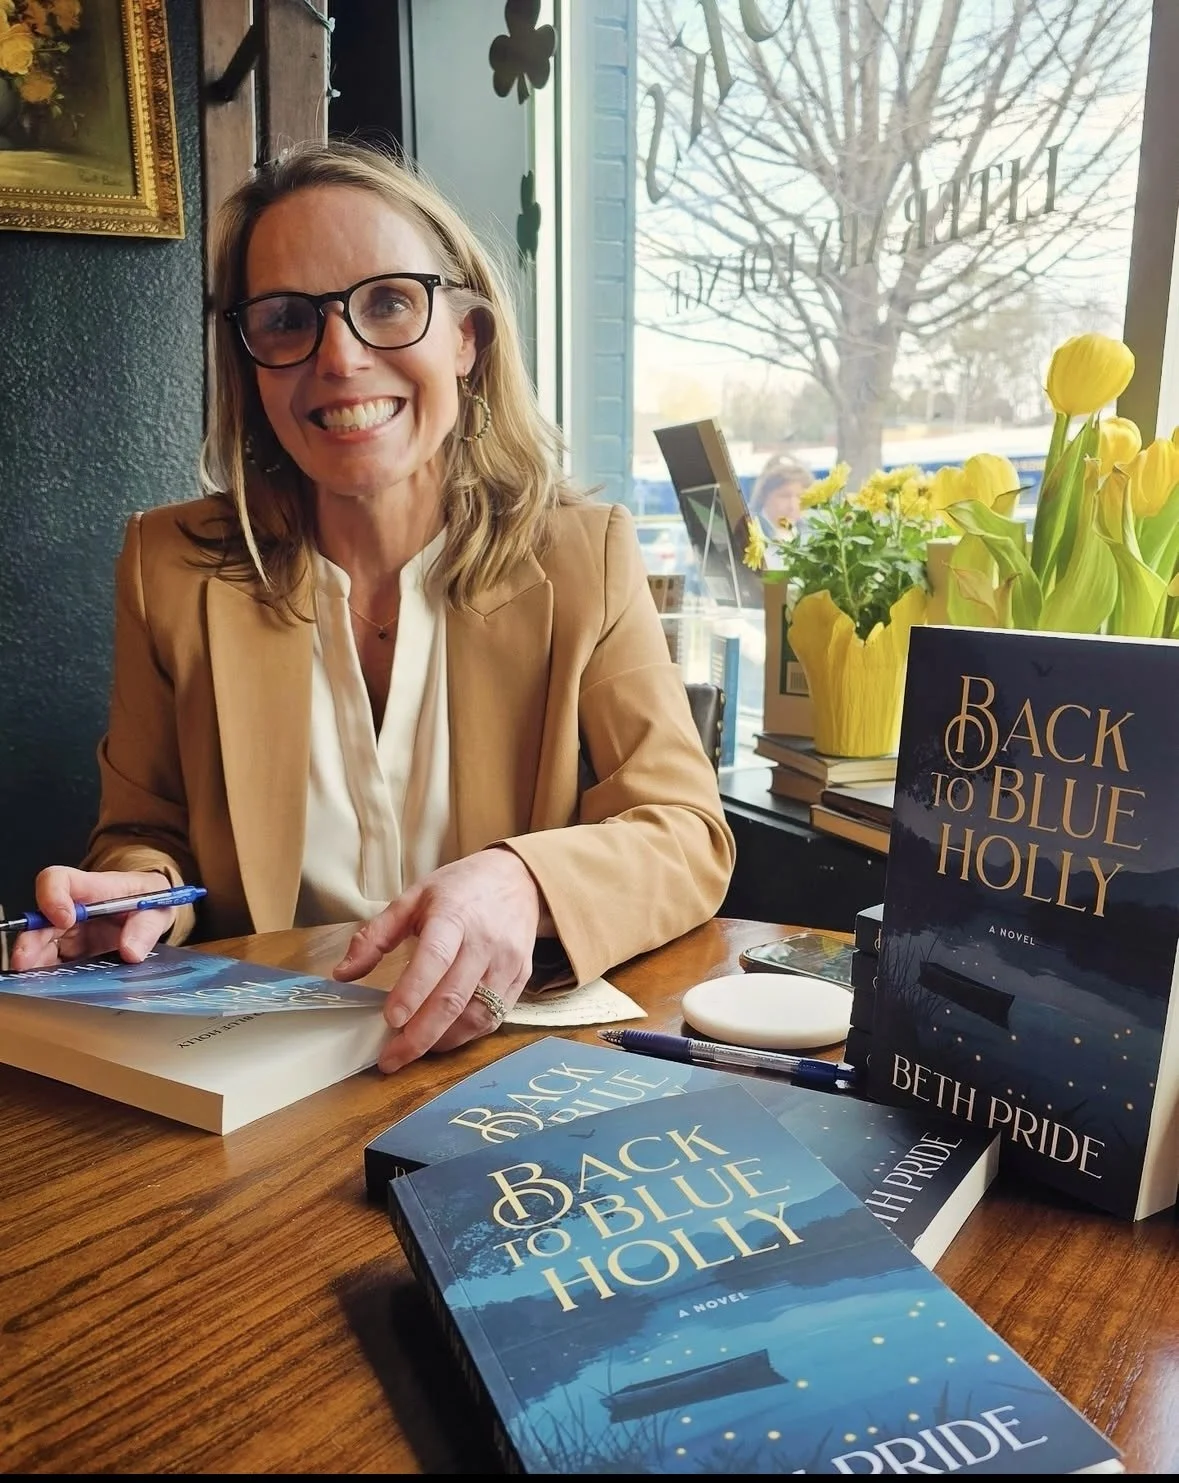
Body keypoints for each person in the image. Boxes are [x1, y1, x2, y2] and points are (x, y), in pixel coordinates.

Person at [8, 140, 735, 1072]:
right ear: (250, 363)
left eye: (389, 301)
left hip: (497, 1065)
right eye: (286, 319)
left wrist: (524, 879)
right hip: (256, 1064)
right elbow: (144, 833)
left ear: (466, 338)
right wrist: (133, 899)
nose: (342, 358)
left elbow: (685, 835)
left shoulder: (582, 554)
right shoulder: (167, 566)